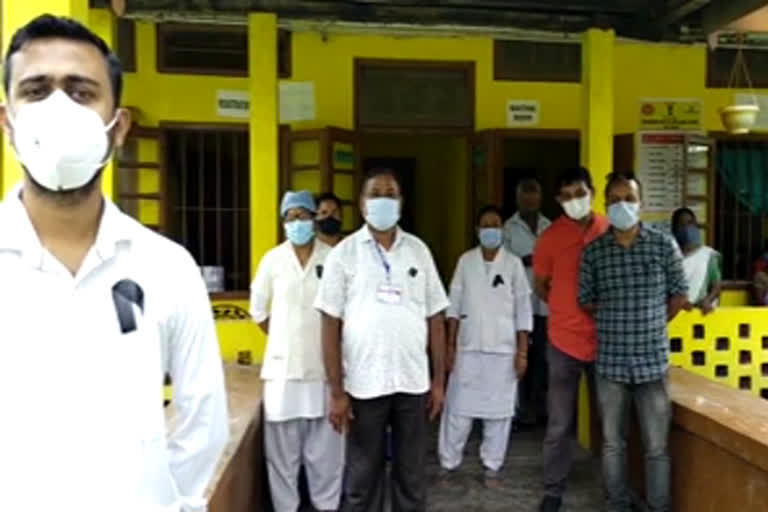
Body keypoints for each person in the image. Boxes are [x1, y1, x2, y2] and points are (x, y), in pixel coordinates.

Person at [0, 15, 229, 511]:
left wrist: (168, 502)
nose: (58, 108)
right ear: (8, 122)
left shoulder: (168, 268)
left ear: (118, 126)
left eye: (81, 92)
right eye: (36, 91)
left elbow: (204, 420)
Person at [315, 167, 449, 512]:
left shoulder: (418, 251)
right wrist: (337, 392)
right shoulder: (343, 254)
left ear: (401, 203)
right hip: (363, 385)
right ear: (362, 204)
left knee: (412, 477)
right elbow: (329, 324)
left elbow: (436, 317)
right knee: (362, 479)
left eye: (391, 194)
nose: (384, 201)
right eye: (376, 194)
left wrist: (438, 382)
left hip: (412, 382)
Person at [578, 172, 688, 512]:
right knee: (612, 444)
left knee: (656, 446)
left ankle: (658, 507)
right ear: (605, 205)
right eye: (614, 200)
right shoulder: (595, 252)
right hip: (610, 363)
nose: (621, 205)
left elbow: (679, 294)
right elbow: (586, 299)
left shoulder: (662, 244)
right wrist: (617, 318)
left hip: (652, 362)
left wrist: (651, 322)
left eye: (629, 198)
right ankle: (617, 504)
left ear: (641, 204)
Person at [250, 190, 344, 512]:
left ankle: (327, 506)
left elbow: (342, 311)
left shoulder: (331, 258)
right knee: (282, 456)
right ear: (283, 223)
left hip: (323, 370)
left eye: (303, 216)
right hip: (282, 373)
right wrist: (283, 336)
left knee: (326, 453)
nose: (297, 223)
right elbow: (258, 309)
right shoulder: (272, 260)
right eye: (290, 218)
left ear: (314, 218)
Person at [533, 167, 609, 512]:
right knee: (560, 421)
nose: (573, 201)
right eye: (566, 196)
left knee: (610, 421)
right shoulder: (550, 237)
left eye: (579, 193)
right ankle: (553, 489)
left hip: (607, 341)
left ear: (592, 192)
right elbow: (542, 285)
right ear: (558, 200)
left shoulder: (611, 230)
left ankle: (613, 487)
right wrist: (567, 307)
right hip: (563, 340)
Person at [439, 205, 532, 488]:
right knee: (458, 410)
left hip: (503, 351)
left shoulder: (514, 264)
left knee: (499, 413)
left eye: (495, 224)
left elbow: (524, 310)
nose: (490, 229)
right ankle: (448, 462)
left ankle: (492, 465)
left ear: (502, 229)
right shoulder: (465, 261)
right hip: (468, 348)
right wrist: (450, 346)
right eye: (485, 225)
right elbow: (453, 306)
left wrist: (522, 351)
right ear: (477, 231)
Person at [504, 177, 551, 426]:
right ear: (518, 199)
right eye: (525, 197)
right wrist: (525, 260)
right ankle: (518, 411)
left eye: (534, 197)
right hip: (518, 306)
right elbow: (502, 264)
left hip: (545, 306)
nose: (530, 202)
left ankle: (540, 408)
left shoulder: (549, 226)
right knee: (519, 358)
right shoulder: (508, 229)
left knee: (543, 359)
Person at [670, 207, 721, 315]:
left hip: (700, 314)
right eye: (681, 224)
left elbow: (716, 286)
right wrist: (679, 301)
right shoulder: (669, 255)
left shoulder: (707, 255)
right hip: (674, 313)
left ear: (696, 226)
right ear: (674, 229)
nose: (686, 228)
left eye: (690, 223)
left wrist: (708, 300)